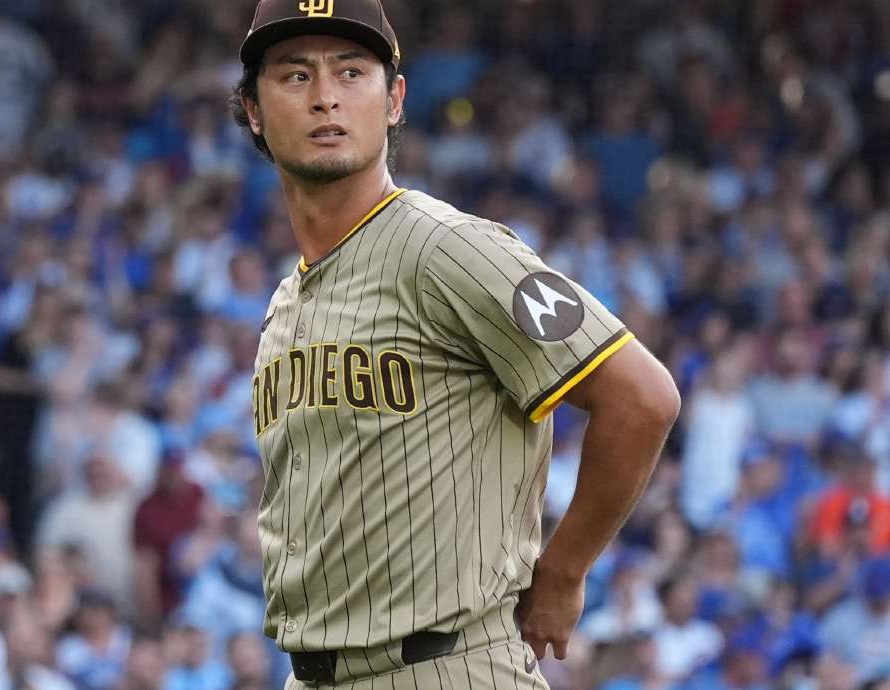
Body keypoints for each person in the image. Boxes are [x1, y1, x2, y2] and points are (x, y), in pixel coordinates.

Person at [230, 1, 681, 687]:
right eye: (295, 76)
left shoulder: (450, 249)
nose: (325, 97)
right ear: (253, 110)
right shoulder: (288, 299)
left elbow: (642, 397)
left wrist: (562, 572)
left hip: (444, 666)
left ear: (395, 100)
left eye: (351, 72)